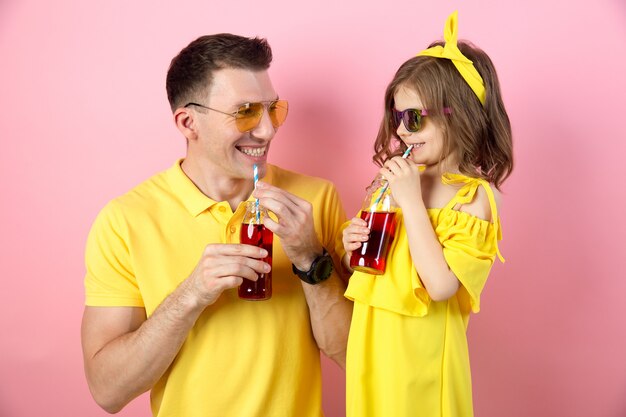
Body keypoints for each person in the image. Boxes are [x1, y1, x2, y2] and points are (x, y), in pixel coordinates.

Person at [81, 33, 352, 417]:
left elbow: (353, 357)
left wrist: (311, 259)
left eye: (272, 109)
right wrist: (190, 295)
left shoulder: (314, 201)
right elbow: (107, 391)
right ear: (188, 122)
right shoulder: (125, 221)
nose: (268, 130)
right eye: (245, 112)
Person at [340, 11, 513, 417]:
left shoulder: (475, 197)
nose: (401, 131)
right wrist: (352, 246)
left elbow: (439, 285)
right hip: (370, 351)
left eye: (414, 118)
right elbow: (366, 273)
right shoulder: (395, 181)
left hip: (424, 362)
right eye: (396, 118)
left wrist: (412, 202)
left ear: (461, 115)